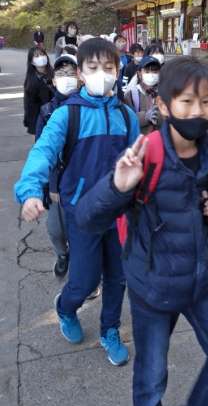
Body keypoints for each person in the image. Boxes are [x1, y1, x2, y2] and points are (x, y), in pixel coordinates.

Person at [76, 56, 208, 406]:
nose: (197, 111)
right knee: (151, 381)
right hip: (152, 287)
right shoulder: (144, 153)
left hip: (201, 281)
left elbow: (207, 207)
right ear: (165, 105)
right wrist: (118, 185)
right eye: (186, 101)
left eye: (206, 102)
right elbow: (87, 219)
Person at [15, 37, 139, 365]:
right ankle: (65, 307)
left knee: (118, 278)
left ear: (118, 71)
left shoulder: (127, 117)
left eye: (109, 67)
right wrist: (30, 191)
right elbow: (42, 152)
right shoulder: (66, 116)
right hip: (82, 213)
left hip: (119, 213)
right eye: (93, 67)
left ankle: (109, 330)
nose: (102, 74)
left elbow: (142, 162)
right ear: (81, 73)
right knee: (84, 280)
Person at [35, 52, 79, 278]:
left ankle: (82, 264)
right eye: (61, 74)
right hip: (57, 183)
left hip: (83, 180)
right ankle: (62, 254)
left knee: (82, 230)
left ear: (80, 78)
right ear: (53, 80)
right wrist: (47, 186)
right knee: (56, 229)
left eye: (71, 73)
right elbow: (41, 153)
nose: (66, 78)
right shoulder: (47, 112)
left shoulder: (89, 107)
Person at [124, 55, 162, 134]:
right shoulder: (131, 94)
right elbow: (127, 119)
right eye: (147, 71)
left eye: (155, 71)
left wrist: (160, 116)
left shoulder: (165, 93)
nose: (151, 75)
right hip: (140, 138)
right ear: (139, 73)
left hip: (160, 138)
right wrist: (145, 117)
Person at [23, 47, 54, 135]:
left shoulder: (54, 74)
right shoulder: (31, 80)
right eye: (37, 56)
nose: (41, 57)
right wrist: (28, 121)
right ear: (32, 61)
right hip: (40, 119)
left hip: (55, 116)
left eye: (42, 54)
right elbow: (28, 104)